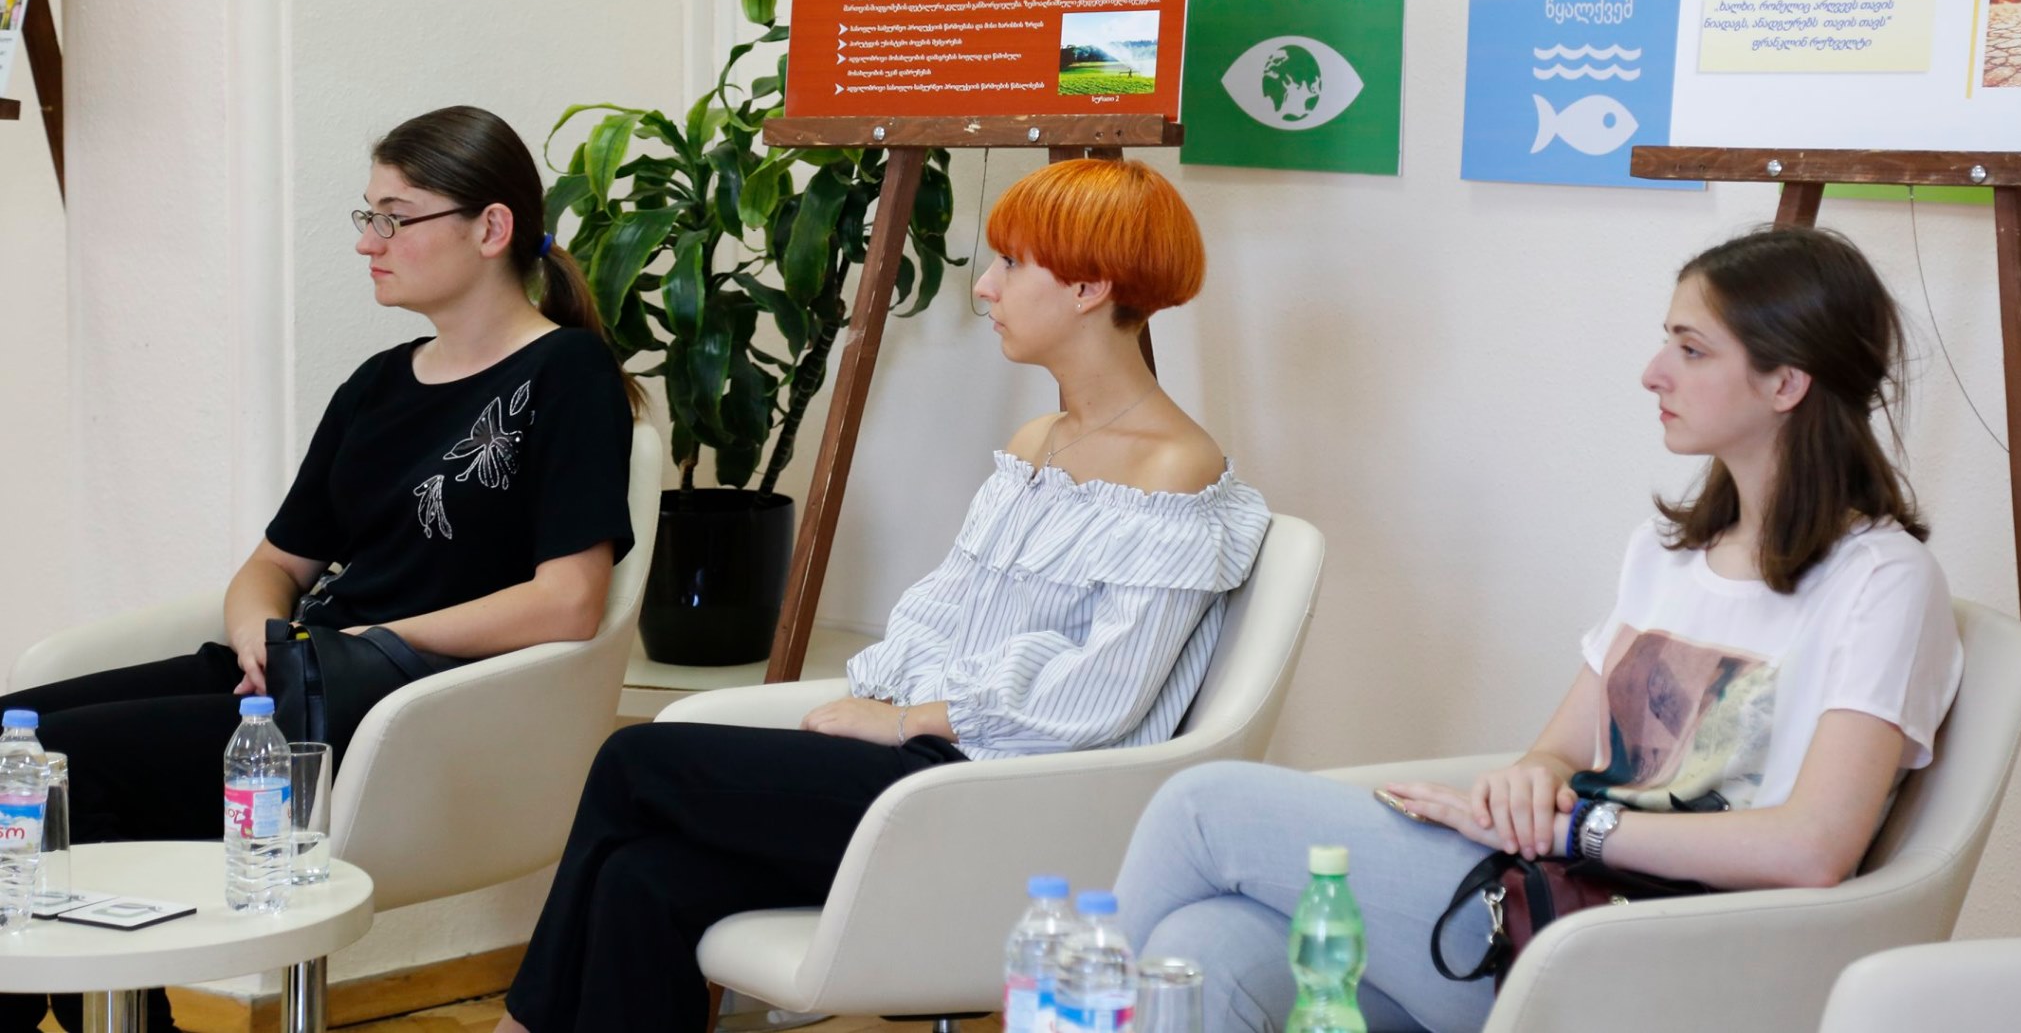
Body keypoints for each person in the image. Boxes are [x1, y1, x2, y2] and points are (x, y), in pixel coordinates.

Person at [1112, 226, 1964, 1033]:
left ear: (1787, 383)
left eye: (1692, 349)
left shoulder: (1882, 580)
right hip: (1551, 895)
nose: (1653, 373)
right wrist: (1523, 786)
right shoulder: (1666, 556)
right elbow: (1556, 753)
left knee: (1202, 805)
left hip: (1670, 943)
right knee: (1207, 947)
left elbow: (1813, 847)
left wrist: (1572, 828)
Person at [494, 158, 1272, 1033]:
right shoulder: (1037, 443)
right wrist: (865, 707)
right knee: (644, 879)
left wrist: (905, 719)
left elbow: (1099, 697)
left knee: (633, 760)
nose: (986, 287)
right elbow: (944, 610)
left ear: (1090, 287)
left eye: (1012, 264)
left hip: (993, 797)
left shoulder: (1175, 470)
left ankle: (516, 1028)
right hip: (920, 771)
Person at [0, 105, 639, 1033]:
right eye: (367, 216)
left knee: (66, 765)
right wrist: (256, 636)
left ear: (491, 227)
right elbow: (274, 562)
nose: (368, 242)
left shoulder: (566, 373)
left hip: (387, 711)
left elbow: (568, 601)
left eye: (395, 217)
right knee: (14, 737)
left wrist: (367, 638)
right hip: (286, 680)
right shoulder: (378, 382)